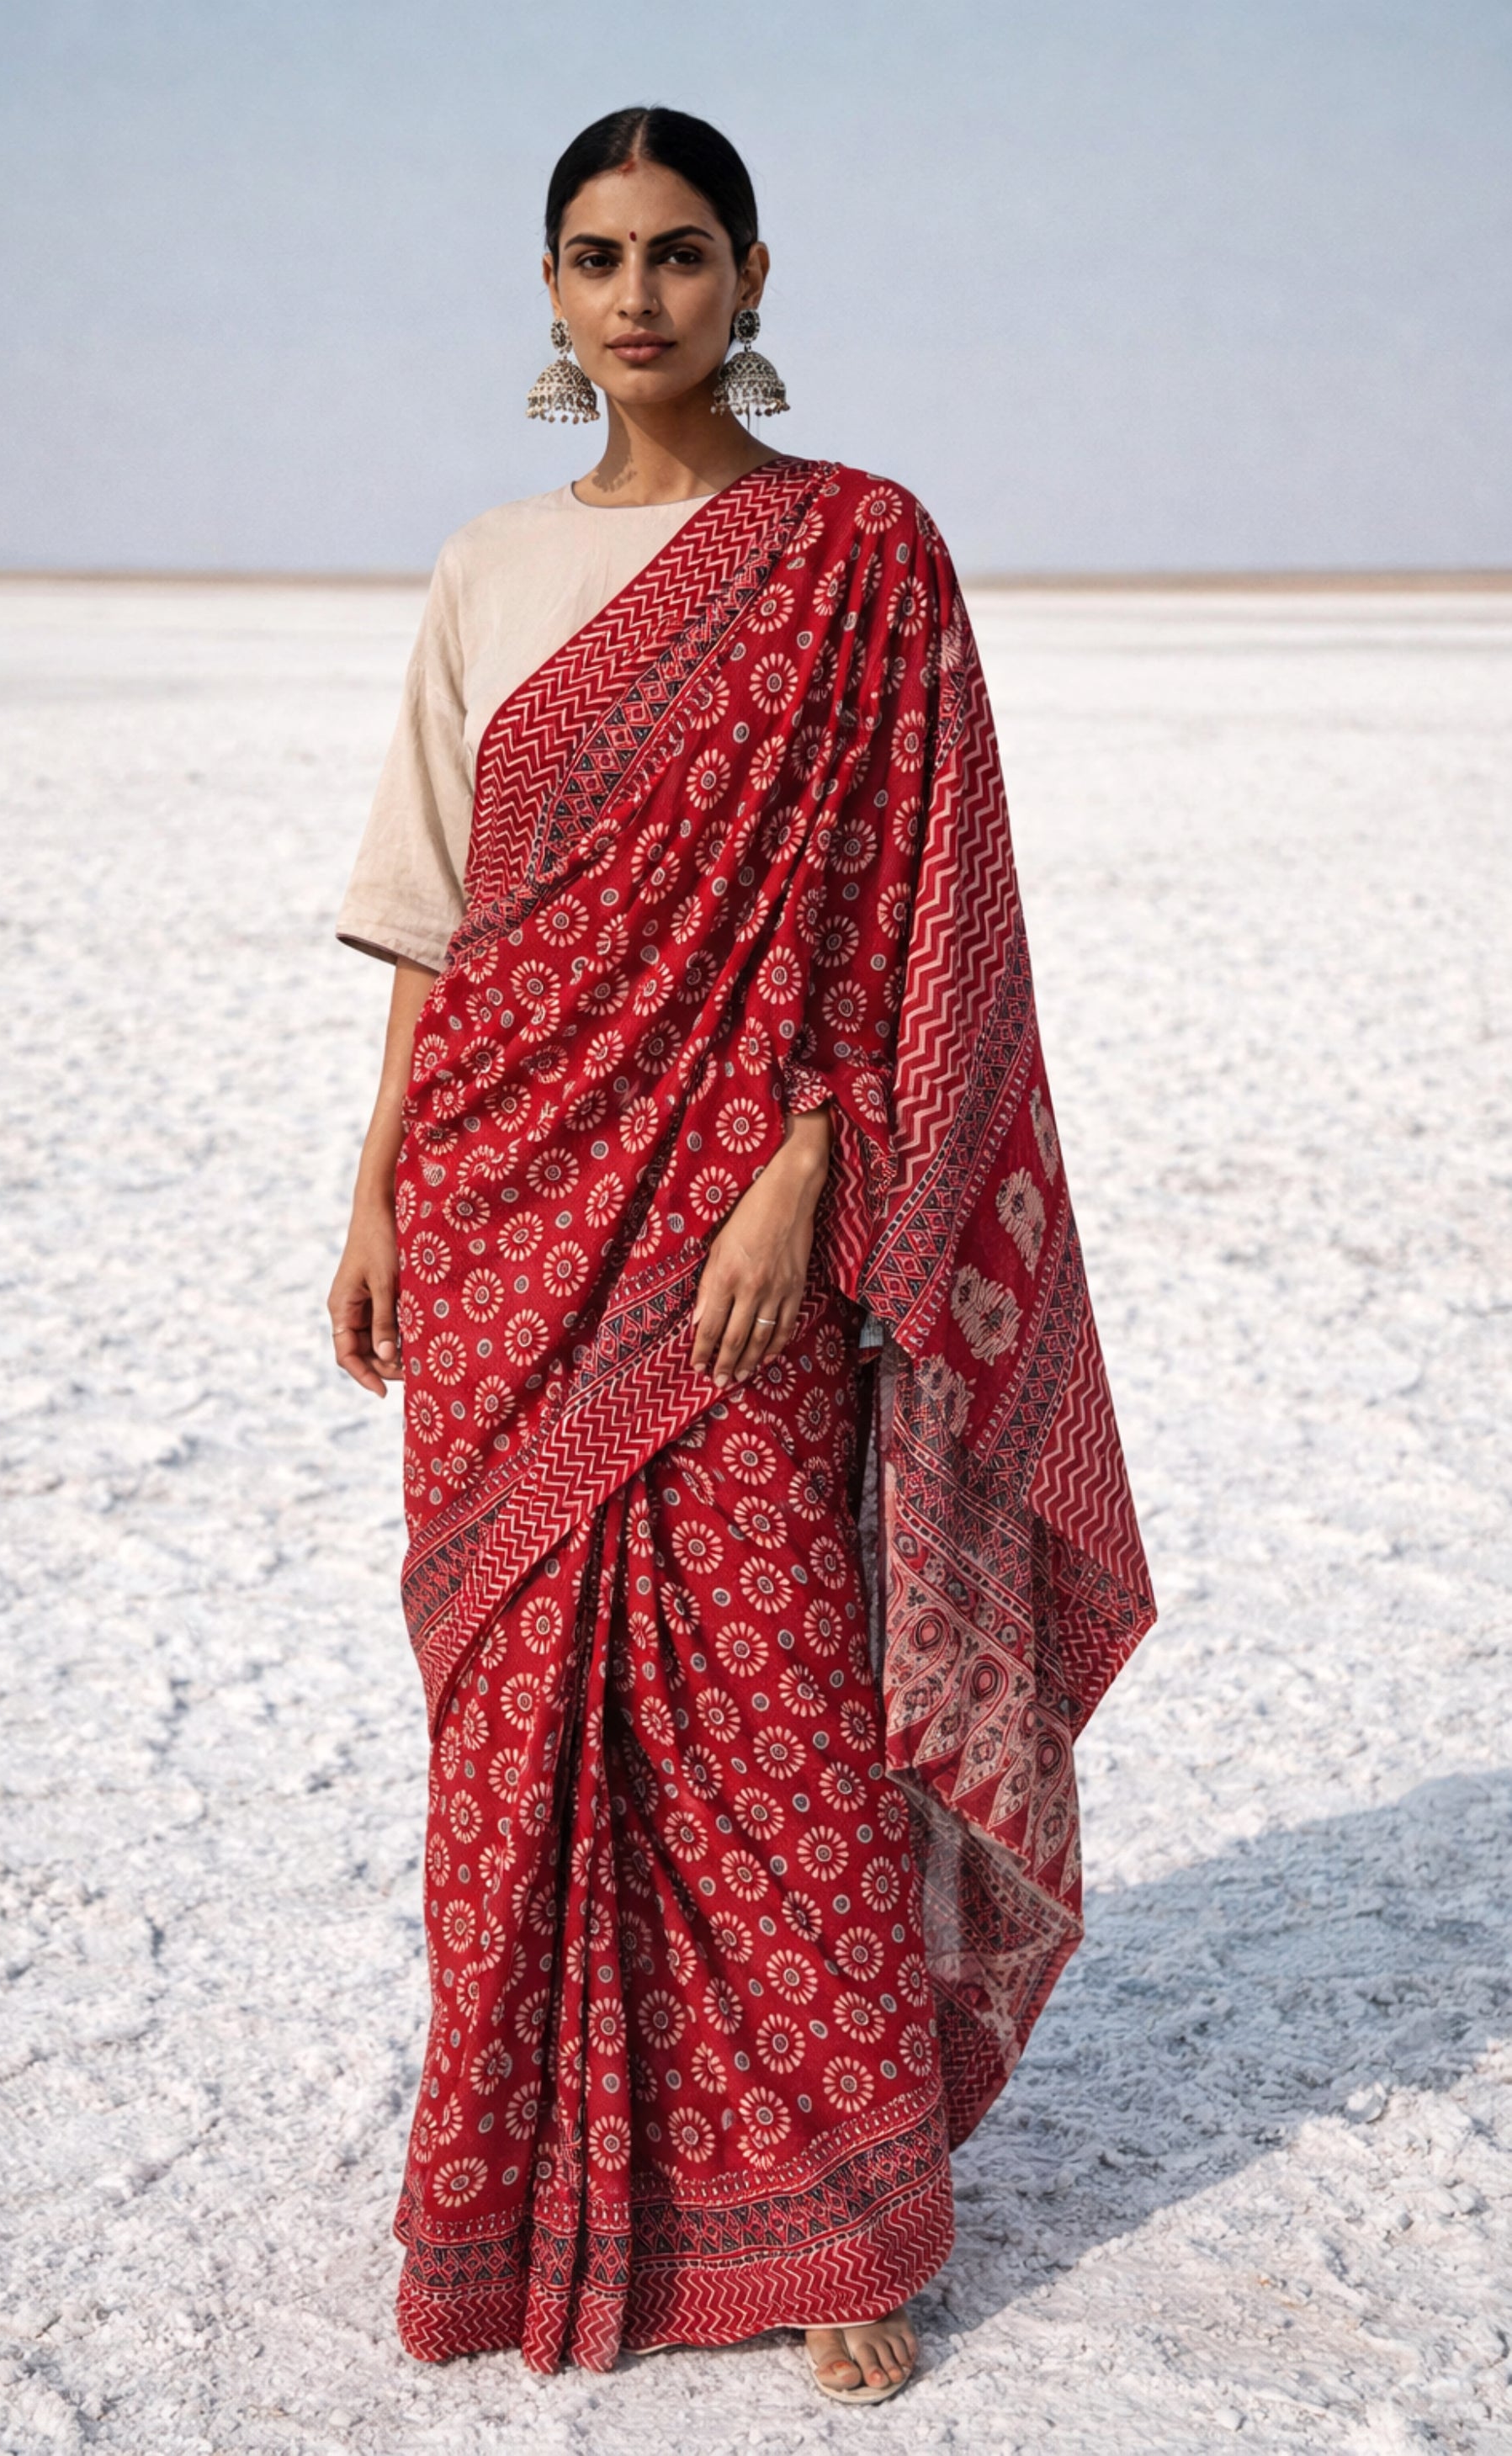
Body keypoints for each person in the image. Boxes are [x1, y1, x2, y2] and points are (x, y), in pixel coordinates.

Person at [328, 104, 1154, 2404]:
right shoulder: (488, 566)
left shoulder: (858, 554)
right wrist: (380, 1180)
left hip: (742, 1214)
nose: (635, 297)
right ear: (549, 287)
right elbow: (431, 904)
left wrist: (814, 1154)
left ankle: (847, 2214)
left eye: (679, 254)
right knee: (511, 1732)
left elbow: (918, 921)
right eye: (593, 256)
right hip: (505, 1200)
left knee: (772, 1705)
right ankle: (518, 2198)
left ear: (754, 276)